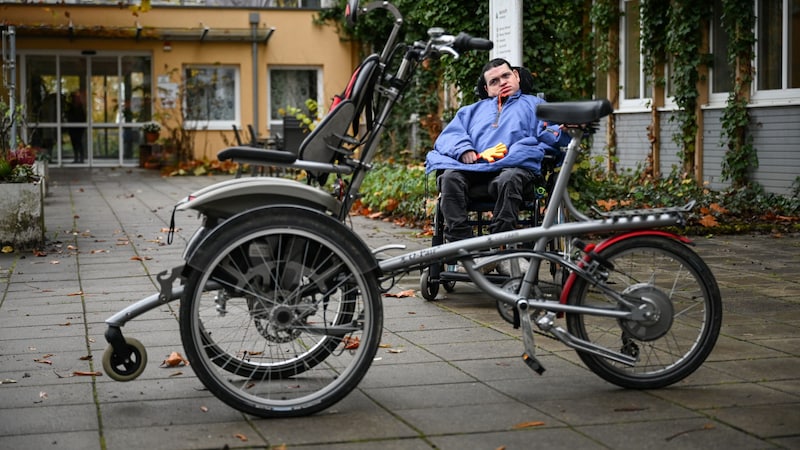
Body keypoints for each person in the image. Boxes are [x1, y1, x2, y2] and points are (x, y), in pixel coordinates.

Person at [425, 58, 570, 272]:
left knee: (509, 178)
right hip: (474, 173)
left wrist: (563, 131)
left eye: (506, 76)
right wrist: (465, 149)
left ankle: (502, 250)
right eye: (494, 81)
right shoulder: (470, 111)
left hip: (513, 173)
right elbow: (449, 136)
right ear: (486, 89)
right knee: (449, 178)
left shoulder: (535, 106)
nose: (502, 82)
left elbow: (550, 134)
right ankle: (466, 250)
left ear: (517, 77)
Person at [66, 90, 87, 163]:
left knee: (79, 143)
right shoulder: (71, 107)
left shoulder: (79, 107)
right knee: (74, 143)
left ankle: (81, 158)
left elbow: (83, 118)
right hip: (72, 128)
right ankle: (76, 158)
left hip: (78, 129)